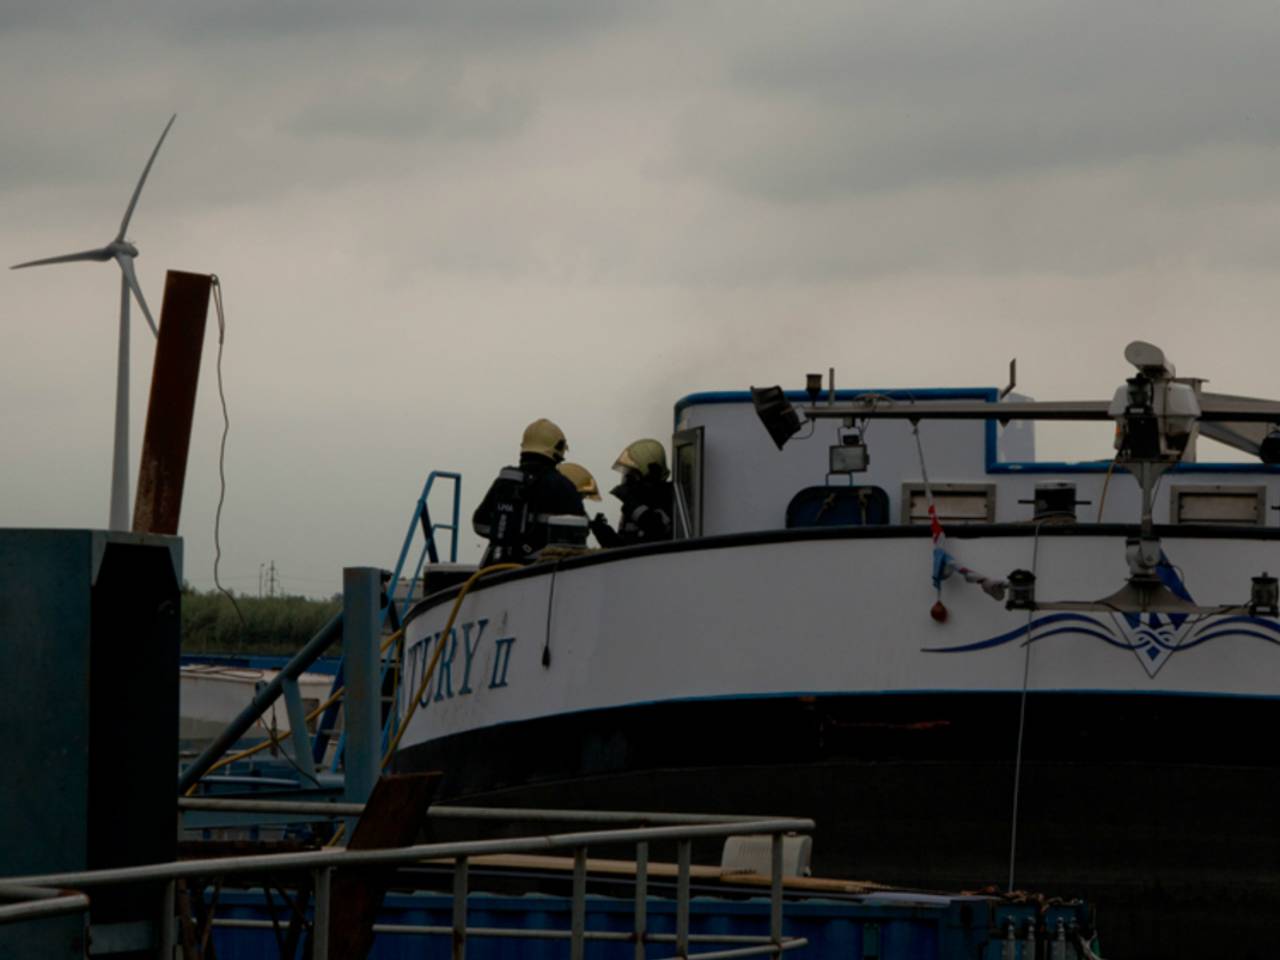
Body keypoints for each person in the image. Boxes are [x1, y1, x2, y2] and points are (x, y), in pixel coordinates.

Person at [473, 419, 585, 565]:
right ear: (557, 449)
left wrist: (507, 537)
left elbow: (479, 524)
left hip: (498, 566)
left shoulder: (506, 481)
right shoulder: (563, 486)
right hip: (542, 570)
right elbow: (580, 532)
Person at [589, 438, 674, 547]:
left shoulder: (666, 499)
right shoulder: (631, 510)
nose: (628, 482)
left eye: (632, 477)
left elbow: (657, 528)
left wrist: (631, 503)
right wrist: (601, 530)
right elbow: (620, 549)